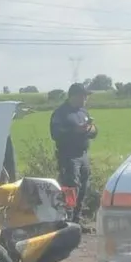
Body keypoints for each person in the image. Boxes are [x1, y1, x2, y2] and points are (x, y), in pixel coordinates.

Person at [49, 83, 98, 223]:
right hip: (68, 156)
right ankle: (68, 218)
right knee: (70, 187)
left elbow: (94, 131)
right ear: (74, 96)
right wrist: (75, 131)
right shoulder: (60, 113)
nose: (85, 99)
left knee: (84, 187)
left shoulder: (83, 112)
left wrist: (89, 130)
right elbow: (55, 134)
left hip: (83, 154)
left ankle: (77, 218)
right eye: (83, 96)